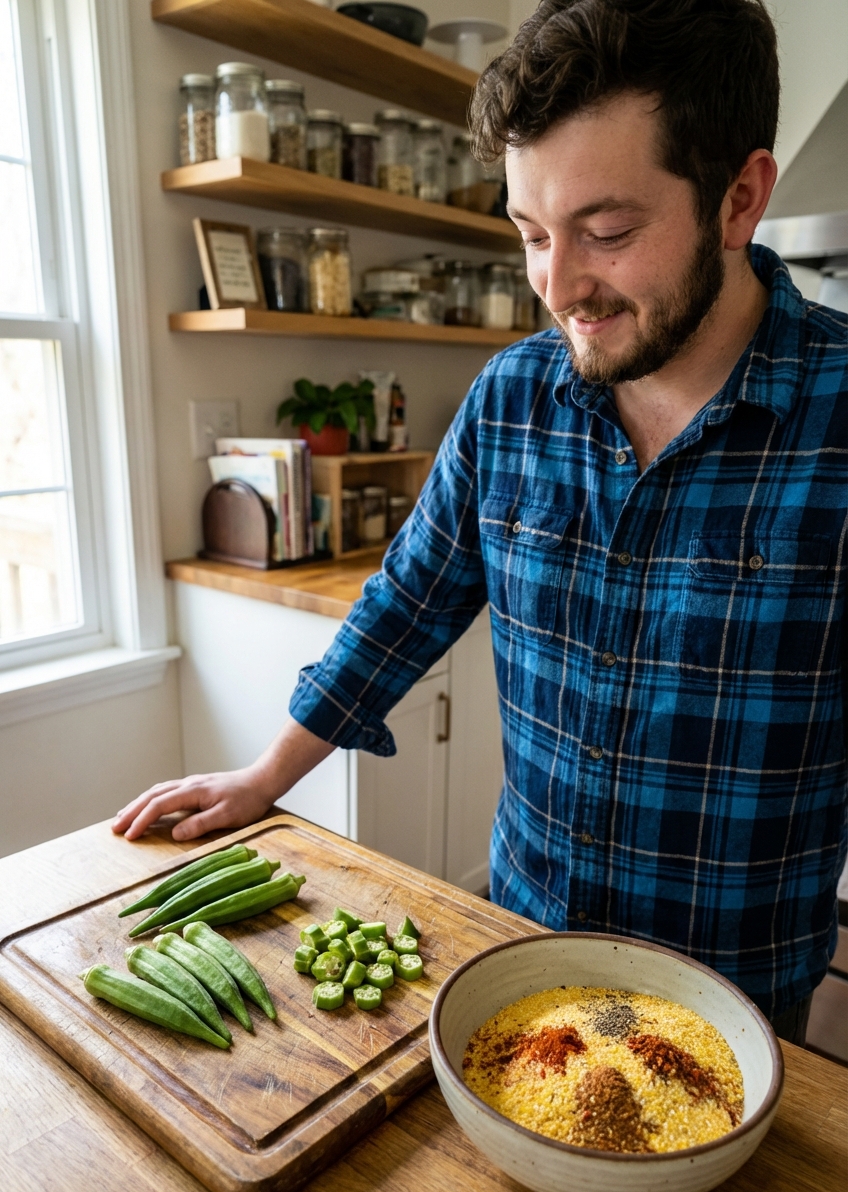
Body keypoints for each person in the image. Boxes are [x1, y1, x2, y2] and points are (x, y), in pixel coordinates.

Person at [115, 0, 846, 1044]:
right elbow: (404, 604)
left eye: (606, 231)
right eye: (530, 233)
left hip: (728, 1003)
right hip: (517, 945)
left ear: (738, 198)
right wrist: (261, 774)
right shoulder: (509, 399)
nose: (557, 287)